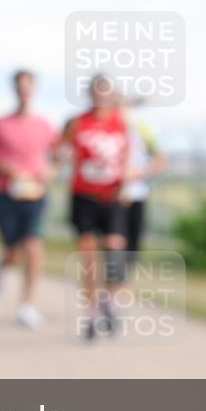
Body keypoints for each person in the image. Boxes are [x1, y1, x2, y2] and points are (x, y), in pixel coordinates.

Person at [0, 69, 58, 328]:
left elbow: (58, 156)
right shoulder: (0, 124)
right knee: (12, 250)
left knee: (34, 247)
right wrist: (4, 166)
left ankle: (27, 305)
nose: (24, 91)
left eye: (28, 86)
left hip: (35, 194)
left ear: (33, 89)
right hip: (7, 194)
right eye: (20, 87)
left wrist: (49, 171)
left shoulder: (44, 125)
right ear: (14, 89)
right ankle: (2, 265)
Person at [59, 75, 129, 341]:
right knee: (88, 259)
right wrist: (63, 156)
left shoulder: (118, 123)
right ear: (90, 95)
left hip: (111, 197)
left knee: (115, 252)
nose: (101, 98)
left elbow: (122, 158)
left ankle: (108, 301)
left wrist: (123, 183)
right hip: (84, 196)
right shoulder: (78, 123)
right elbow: (61, 150)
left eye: (105, 93)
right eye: (96, 93)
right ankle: (89, 314)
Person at [118, 99, 165, 261]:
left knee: (132, 244)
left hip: (137, 193)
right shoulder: (105, 130)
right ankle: (112, 283)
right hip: (111, 195)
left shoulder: (141, 129)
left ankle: (122, 284)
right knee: (114, 243)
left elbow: (159, 159)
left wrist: (139, 173)